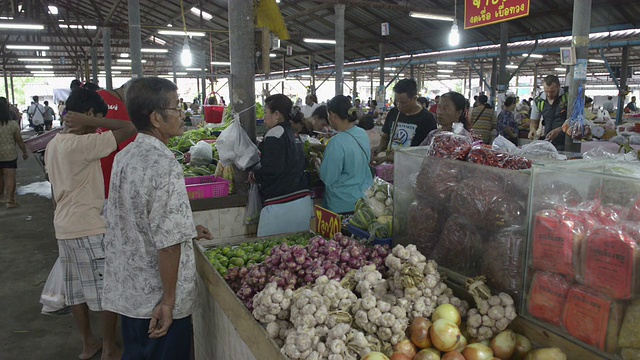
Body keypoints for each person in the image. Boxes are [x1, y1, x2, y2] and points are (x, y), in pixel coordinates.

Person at [101, 77, 213, 360]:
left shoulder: (124, 156)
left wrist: (187, 229)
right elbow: (168, 245)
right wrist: (168, 301)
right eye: (176, 107)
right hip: (156, 301)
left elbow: (133, 219)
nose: (182, 113)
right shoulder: (165, 165)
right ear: (156, 118)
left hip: (131, 294)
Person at [44, 87, 138, 360]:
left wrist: (89, 121)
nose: (98, 126)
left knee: (76, 292)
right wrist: (93, 123)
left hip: (64, 228)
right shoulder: (82, 144)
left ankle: (89, 345)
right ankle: (109, 349)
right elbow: (130, 127)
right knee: (108, 291)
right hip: (88, 228)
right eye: (96, 117)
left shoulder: (54, 144)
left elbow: (53, 192)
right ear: (86, 115)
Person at [249, 94, 312, 237]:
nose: (264, 117)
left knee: (272, 252)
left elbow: (272, 170)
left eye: (266, 112)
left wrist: (255, 175)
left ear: (277, 115)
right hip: (302, 202)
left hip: (281, 206)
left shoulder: (274, 134)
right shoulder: (293, 133)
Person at [319, 95, 373, 214]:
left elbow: (328, 178)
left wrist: (318, 164)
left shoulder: (336, 143)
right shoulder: (362, 133)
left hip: (342, 205)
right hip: (363, 200)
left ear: (332, 115)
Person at [373, 79, 437, 163]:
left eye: (403, 102)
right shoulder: (393, 113)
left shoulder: (427, 118)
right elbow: (385, 137)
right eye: (396, 101)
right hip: (390, 166)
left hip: (411, 167)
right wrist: (379, 148)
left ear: (414, 98)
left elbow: (427, 151)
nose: (399, 105)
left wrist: (391, 158)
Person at [96, 81, 136, 198]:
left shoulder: (97, 95)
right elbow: (129, 148)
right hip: (110, 169)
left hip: (92, 165)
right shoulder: (125, 108)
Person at [0, 99, 29, 208]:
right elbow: (19, 140)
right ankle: (10, 200)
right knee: (10, 176)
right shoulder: (12, 125)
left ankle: (1, 197)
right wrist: (24, 152)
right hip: (9, 154)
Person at [529, 75, 569, 151]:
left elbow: (575, 120)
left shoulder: (568, 97)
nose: (549, 94)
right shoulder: (539, 100)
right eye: (546, 91)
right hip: (548, 142)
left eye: (552, 91)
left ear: (559, 87)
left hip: (567, 143)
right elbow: (534, 121)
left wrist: (560, 130)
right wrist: (533, 129)